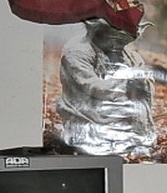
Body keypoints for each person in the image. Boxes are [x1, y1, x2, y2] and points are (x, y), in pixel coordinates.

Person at [54, 18, 156, 158]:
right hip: (88, 113)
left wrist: (141, 82)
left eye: (124, 41)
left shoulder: (130, 55)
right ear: (99, 32)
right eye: (115, 39)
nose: (118, 45)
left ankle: (134, 140)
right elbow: (89, 85)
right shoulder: (77, 51)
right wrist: (126, 83)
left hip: (124, 112)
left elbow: (145, 83)